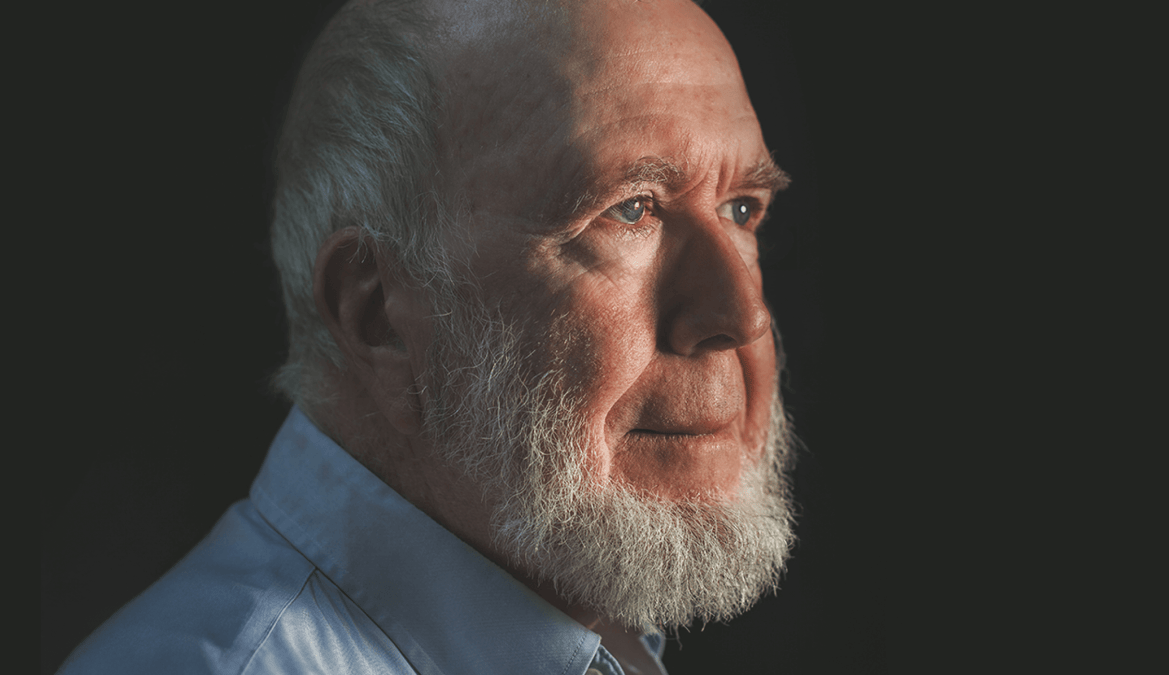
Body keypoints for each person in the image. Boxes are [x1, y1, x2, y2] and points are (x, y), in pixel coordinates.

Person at [59, 0, 799, 673]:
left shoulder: (592, 626)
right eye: (628, 210)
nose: (741, 315)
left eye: (741, 210)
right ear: (378, 314)